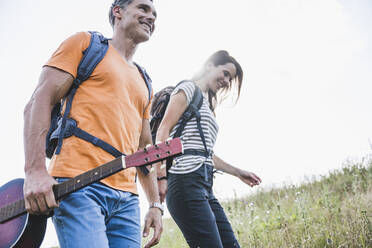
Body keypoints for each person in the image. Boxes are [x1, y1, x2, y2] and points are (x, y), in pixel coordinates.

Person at [23, 0, 162, 247]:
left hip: (127, 201)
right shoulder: (85, 44)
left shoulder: (145, 80)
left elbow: (145, 149)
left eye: (154, 13)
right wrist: (34, 172)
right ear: (117, 11)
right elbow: (38, 102)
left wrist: (154, 204)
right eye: (143, 8)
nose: (151, 17)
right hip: (78, 185)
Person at [154, 50, 262, 248]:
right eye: (226, 73)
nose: (227, 81)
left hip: (204, 184)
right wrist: (160, 176)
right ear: (210, 65)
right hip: (184, 180)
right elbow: (163, 130)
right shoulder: (188, 88)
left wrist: (238, 172)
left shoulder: (207, 105)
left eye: (231, 79)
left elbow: (205, 153)